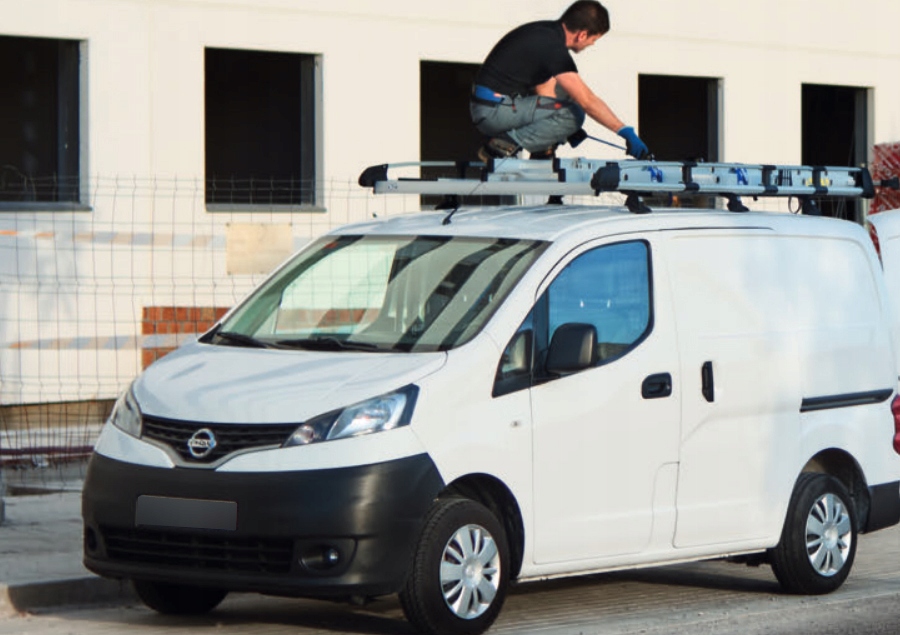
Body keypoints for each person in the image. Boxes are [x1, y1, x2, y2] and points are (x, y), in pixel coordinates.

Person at [470, 0, 649, 162]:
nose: (592, 44)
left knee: (564, 98)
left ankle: (542, 153)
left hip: (490, 107)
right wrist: (624, 131)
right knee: (574, 111)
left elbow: (545, 90)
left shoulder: (545, 34)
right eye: (594, 39)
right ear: (582, 35)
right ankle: (500, 147)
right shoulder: (554, 49)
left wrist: (559, 129)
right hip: (494, 110)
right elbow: (587, 100)